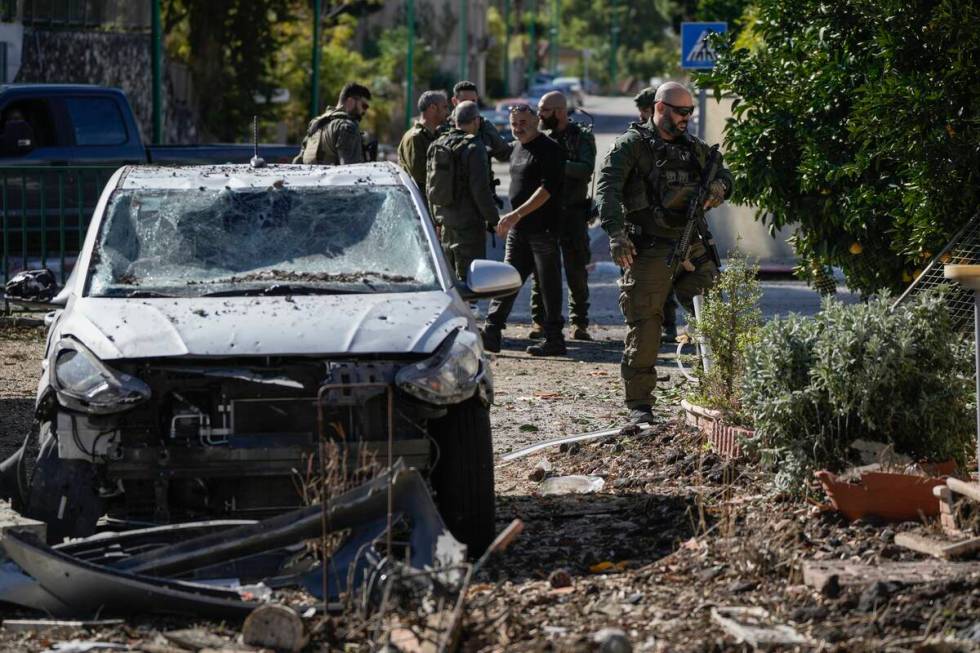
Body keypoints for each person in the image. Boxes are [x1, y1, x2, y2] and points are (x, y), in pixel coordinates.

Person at [594, 81, 733, 425]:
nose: (686, 117)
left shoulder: (694, 148)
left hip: (691, 243)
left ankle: (713, 390)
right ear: (659, 108)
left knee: (712, 315)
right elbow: (607, 188)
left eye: (690, 111)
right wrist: (615, 233)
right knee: (646, 324)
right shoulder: (631, 146)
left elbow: (725, 174)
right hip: (649, 247)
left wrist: (721, 187)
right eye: (680, 111)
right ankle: (640, 405)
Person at [481, 104, 566, 357]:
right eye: (514, 124)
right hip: (520, 230)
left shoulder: (550, 149)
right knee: (507, 279)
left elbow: (547, 189)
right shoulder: (517, 148)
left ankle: (554, 338)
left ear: (536, 121)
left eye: (523, 123)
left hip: (544, 229)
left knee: (548, 285)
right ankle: (492, 332)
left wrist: (516, 214)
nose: (518, 128)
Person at [528, 91, 596, 341]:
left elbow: (585, 169)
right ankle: (540, 321)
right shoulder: (539, 137)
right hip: (545, 214)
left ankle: (579, 323)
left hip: (573, 213)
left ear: (559, 111)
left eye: (544, 110)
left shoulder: (582, 137)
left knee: (576, 269)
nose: (539, 115)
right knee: (542, 270)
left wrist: (557, 166)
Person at [426, 101, 499, 282]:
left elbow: (430, 187)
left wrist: (434, 220)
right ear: (476, 120)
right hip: (468, 227)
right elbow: (480, 191)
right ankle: (469, 311)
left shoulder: (437, 144)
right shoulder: (475, 147)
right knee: (472, 282)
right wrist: (495, 220)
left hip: (445, 225)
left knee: (449, 281)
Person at [635, 86, 679, 343]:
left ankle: (668, 325)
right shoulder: (634, 137)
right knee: (635, 279)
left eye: (645, 109)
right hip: (639, 215)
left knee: (666, 276)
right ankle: (641, 327)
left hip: (664, 215)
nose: (642, 115)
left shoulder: (673, 138)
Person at [293, 82, 372, 165]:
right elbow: (350, 171)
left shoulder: (315, 123)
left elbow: (298, 161)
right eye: (364, 106)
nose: (364, 111)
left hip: (309, 177)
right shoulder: (347, 127)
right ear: (350, 101)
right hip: (332, 178)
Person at [398, 90, 449, 207]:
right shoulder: (415, 137)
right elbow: (420, 175)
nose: (448, 112)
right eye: (445, 107)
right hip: (419, 204)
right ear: (432, 108)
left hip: (431, 201)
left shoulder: (435, 135)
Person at [451, 81, 512, 163]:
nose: (470, 105)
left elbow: (504, 153)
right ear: (454, 101)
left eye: (473, 101)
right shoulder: (443, 125)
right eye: (464, 101)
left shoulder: (484, 126)